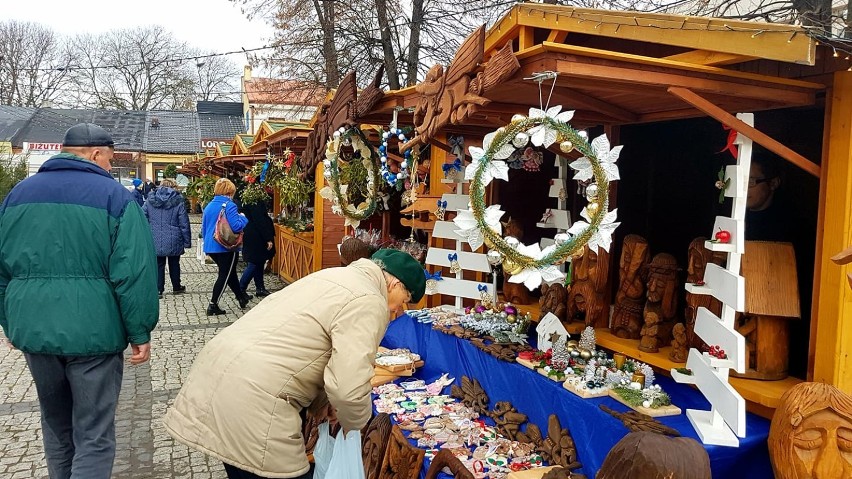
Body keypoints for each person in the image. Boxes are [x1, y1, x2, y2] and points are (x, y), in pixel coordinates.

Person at [163, 248, 425, 479]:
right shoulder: (369, 300)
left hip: (218, 373)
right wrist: (354, 426)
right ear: (394, 285)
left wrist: (321, 403)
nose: (398, 312)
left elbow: (308, 347)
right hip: (255, 398)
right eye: (403, 302)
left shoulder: (335, 276)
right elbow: (348, 388)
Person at [0, 123, 159, 479]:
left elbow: (1, 268)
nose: (109, 167)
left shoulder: (17, 195)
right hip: (94, 335)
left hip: (35, 332)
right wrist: (140, 331)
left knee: (57, 427)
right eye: (110, 160)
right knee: (95, 435)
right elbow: (134, 271)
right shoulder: (115, 197)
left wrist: (10, 320)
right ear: (95, 153)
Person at [202, 178, 250, 316]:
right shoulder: (230, 205)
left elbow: (204, 228)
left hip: (212, 246)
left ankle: (241, 297)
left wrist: (206, 247)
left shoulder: (209, 205)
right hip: (225, 246)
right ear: (230, 191)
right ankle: (213, 304)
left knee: (230, 273)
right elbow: (236, 226)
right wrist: (243, 217)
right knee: (224, 274)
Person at [143, 178, 191, 299]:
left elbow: (142, 215)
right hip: (174, 238)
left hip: (155, 237)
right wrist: (187, 241)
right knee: (174, 263)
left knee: (159, 264)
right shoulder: (178, 201)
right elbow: (184, 223)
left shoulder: (150, 200)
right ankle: (176, 286)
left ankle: (159, 289)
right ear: (173, 187)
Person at [238, 199, 276, 297]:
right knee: (254, 262)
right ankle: (241, 289)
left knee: (259, 261)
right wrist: (267, 238)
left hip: (251, 232)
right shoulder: (254, 201)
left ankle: (260, 288)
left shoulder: (247, 198)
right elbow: (260, 220)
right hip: (257, 235)